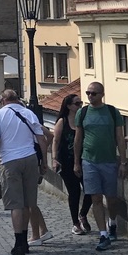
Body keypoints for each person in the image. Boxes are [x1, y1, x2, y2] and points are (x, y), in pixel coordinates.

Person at [0, 90, 48, 255]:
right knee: (29, 202)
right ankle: (25, 239)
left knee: (16, 204)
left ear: (3, 100)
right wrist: (44, 162)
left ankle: (19, 242)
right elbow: (42, 139)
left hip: (10, 161)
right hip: (30, 158)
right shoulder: (29, 113)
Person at [73, 81, 127, 252]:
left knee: (111, 198)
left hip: (109, 161)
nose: (89, 96)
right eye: (88, 93)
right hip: (89, 160)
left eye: (93, 93)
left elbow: (120, 138)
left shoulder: (112, 112)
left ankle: (112, 224)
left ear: (102, 94)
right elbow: (78, 139)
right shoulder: (82, 113)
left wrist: (123, 162)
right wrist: (76, 162)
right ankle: (103, 234)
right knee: (95, 198)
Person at [51, 93, 93, 234]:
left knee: (91, 190)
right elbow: (55, 141)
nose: (80, 105)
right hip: (67, 162)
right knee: (74, 192)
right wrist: (54, 158)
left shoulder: (83, 119)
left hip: (85, 160)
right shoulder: (62, 121)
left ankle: (83, 214)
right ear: (68, 106)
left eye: (80, 103)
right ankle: (75, 223)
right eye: (77, 103)